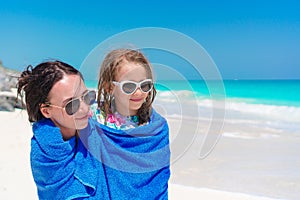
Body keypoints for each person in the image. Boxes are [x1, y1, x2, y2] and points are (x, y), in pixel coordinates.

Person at [84, 48, 170, 199]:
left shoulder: (157, 128)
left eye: (145, 85)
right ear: (109, 87)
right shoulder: (93, 117)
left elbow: (159, 180)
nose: (138, 93)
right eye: (129, 86)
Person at [17, 60, 110, 199]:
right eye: (72, 104)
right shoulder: (46, 154)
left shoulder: (94, 129)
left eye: (87, 97)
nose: (85, 108)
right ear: (46, 111)